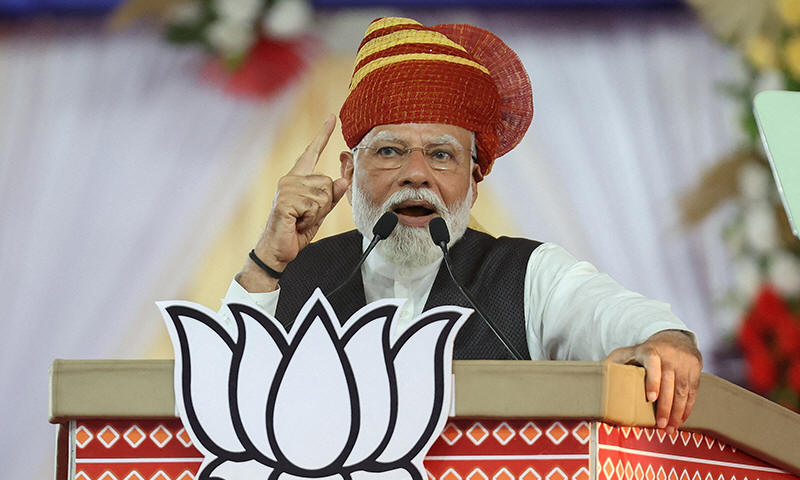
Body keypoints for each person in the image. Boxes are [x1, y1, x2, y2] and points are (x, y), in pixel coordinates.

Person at [225, 17, 702, 435]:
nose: (416, 174)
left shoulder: (527, 275)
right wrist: (267, 262)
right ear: (349, 173)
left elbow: (626, 320)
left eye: (441, 155)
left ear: (473, 183)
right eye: (390, 151)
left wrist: (666, 341)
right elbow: (217, 403)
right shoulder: (291, 275)